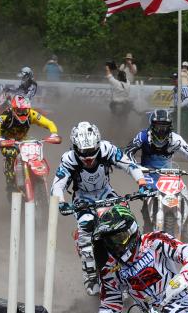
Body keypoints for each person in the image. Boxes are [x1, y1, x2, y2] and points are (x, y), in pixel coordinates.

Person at [51, 122, 146, 295]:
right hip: (83, 200)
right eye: (83, 151)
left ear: (97, 144)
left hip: (107, 194)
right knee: (86, 227)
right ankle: (90, 276)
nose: (88, 157)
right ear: (75, 148)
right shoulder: (68, 159)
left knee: (127, 221)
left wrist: (142, 183)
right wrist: (62, 203)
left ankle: (138, 261)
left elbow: (129, 165)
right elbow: (57, 186)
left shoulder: (107, 149)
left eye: (91, 150)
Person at [125, 108, 188, 234]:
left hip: (169, 174)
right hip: (148, 173)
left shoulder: (175, 139)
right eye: (158, 127)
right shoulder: (143, 136)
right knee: (147, 196)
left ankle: (184, 229)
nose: (162, 130)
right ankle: (148, 229)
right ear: (152, 126)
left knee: (183, 193)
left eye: (165, 127)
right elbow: (128, 152)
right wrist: (135, 167)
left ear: (170, 127)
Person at [0, 94, 59, 193]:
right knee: (11, 153)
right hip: (7, 141)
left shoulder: (32, 114)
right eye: (19, 111)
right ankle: (10, 182)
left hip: (22, 139)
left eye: (25, 111)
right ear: (14, 109)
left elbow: (49, 123)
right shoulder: (6, 114)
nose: (22, 113)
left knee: (36, 149)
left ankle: (36, 173)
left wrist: (54, 134)